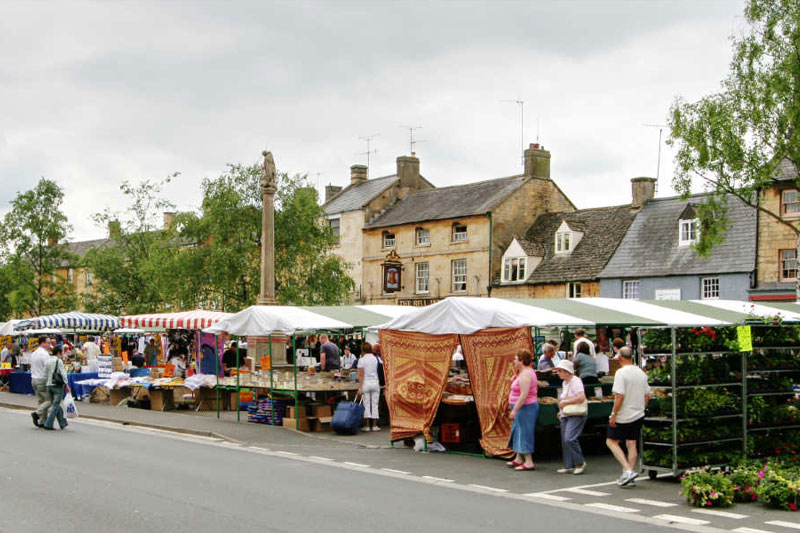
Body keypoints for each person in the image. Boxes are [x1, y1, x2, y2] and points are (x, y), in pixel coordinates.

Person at [607, 347, 651, 487]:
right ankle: (629, 475)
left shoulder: (620, 373)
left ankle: (627, 470)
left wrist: (614, 414)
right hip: (638, 413)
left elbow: (619, 395)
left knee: (611, 441)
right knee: (631, 443)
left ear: (620, 358)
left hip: (624, 414)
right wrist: (641, 407)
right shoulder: (641, 373)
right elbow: (647, 395)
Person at [506, 349, 539, 471]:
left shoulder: (526, 374)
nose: (513, 362)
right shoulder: (523, 373)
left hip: (526, 407)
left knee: (524, 432)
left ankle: (529, 461)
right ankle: (518, 457)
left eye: (515, 359)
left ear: (521, 361)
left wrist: (515, 410)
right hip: (521, 406)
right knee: (517, 431)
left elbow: (524, 394)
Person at [555, 360, 587, 474]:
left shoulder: (575, 381)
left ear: (567, 372)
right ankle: (568, 464)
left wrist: (565, 403)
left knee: (569, 438)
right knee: (565, 439)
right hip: (567, 414)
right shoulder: (565, 383)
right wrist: (561, 410)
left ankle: (579, 462)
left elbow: (581, 397)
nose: (558, 373)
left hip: (575, 414)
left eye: (560, 371)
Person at [43, 345, 69, 430]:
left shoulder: (47, 361)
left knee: (55, 404)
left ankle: (63, 423)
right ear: (58, 353)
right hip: (57, 385)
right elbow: (63, 373)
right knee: (56, 405)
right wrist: (66, 384)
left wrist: (46, 382)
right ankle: (48, 424)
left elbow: (45, 373)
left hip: (49, 384)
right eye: (61, 353)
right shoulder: (59, 361)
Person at [357, 342, 381, 432]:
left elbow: (361, 375)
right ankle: (374, 425)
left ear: (362, 350)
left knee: (366, 404)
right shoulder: (375, 359)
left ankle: (367, 426)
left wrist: (359, 387)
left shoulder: (361, 360)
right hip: (375, 382)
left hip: (366, 383)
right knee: (374, 404)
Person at [30, 336, 53, 428]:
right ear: (42, 343)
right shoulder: (45, 354)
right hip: (42, 379)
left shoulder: (34, 353)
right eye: (48, 343)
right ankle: (37, 413)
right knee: (49, 400)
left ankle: (42, 421)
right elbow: (49, 368)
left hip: (34, 378)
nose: (49, 345)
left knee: (41, 400)